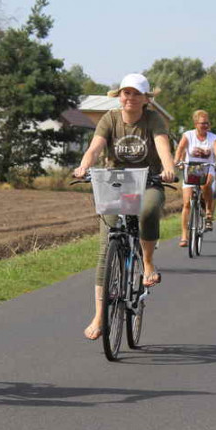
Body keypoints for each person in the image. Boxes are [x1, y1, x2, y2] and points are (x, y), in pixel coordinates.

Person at [74, 73, 177, 340]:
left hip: (147, 181)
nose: (129, 98)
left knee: (148, 209)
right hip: (115, 183)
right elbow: (95, 147)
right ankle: (99, 316)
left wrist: (168, 168)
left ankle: (148, 262)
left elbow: (162, 145)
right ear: (119, 96)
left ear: (145, 99)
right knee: (106, 246)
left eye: (135, 93)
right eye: (125, 93)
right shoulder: (110, 119)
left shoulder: (152, 119)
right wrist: (85, 165)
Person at [173, 109, 216, 247]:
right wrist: (177, 161)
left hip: (208, 168)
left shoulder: (213, 138)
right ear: (196, 123)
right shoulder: (188, 135)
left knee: (206, 184)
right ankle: (184, 236)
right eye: (202, 123)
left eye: (207, 123)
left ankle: (208, 212)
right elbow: (179, 149)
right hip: (191, 168)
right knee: (186, 203)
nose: (205, 126)